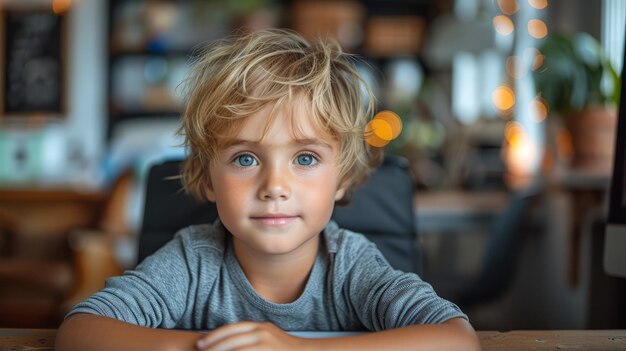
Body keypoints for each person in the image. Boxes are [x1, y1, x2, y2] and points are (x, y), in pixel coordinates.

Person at [56, 29, 480, 351]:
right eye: (245, 159)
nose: (275, 187)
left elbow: (458, 339)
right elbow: (78, 330)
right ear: (207, 180)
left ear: (343, 179)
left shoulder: (351, 266)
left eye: (306, 159)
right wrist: (201, 345)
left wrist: (296, 348)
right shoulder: (191, 262)